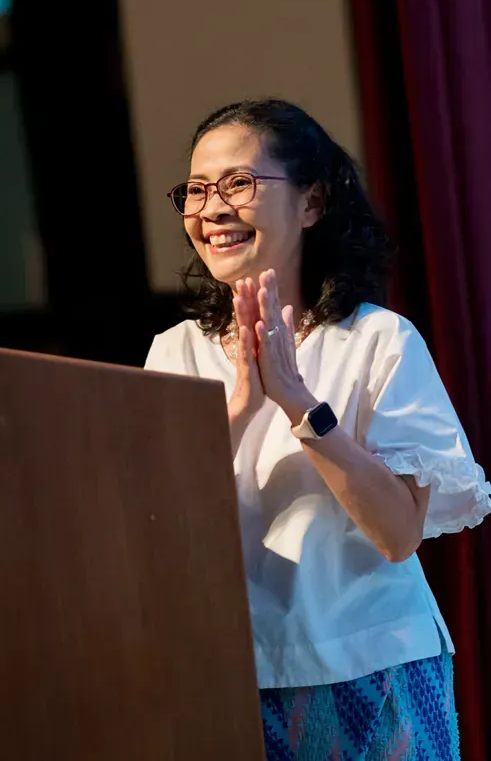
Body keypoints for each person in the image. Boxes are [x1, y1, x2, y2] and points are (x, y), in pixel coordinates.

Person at [145, 99, 491, 760]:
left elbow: (397, 535)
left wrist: (300, 404)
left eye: (238, 184)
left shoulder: (376, 340)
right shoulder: (174, 353)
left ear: (310, 203)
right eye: (195, 190)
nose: (211, 208)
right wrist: (241, 409)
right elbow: (154, 524)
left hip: (372, 664)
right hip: (226, 675)